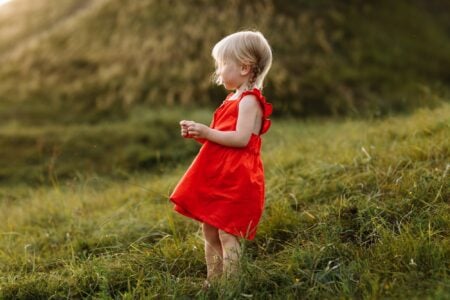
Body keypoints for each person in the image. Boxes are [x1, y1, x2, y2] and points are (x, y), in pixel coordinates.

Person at [169, 31, 273, 285]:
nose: (218, 71)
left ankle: (231, 285)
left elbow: (240, 140)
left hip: (238, 177)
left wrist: (207, 131)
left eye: (222, 65)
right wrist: (199, 134)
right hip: (220, 173)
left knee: (228, 233)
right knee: (209, 228)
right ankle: (213, 281)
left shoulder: (249, 101)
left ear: (245, 67)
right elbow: (222, 138)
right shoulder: (232, 98)